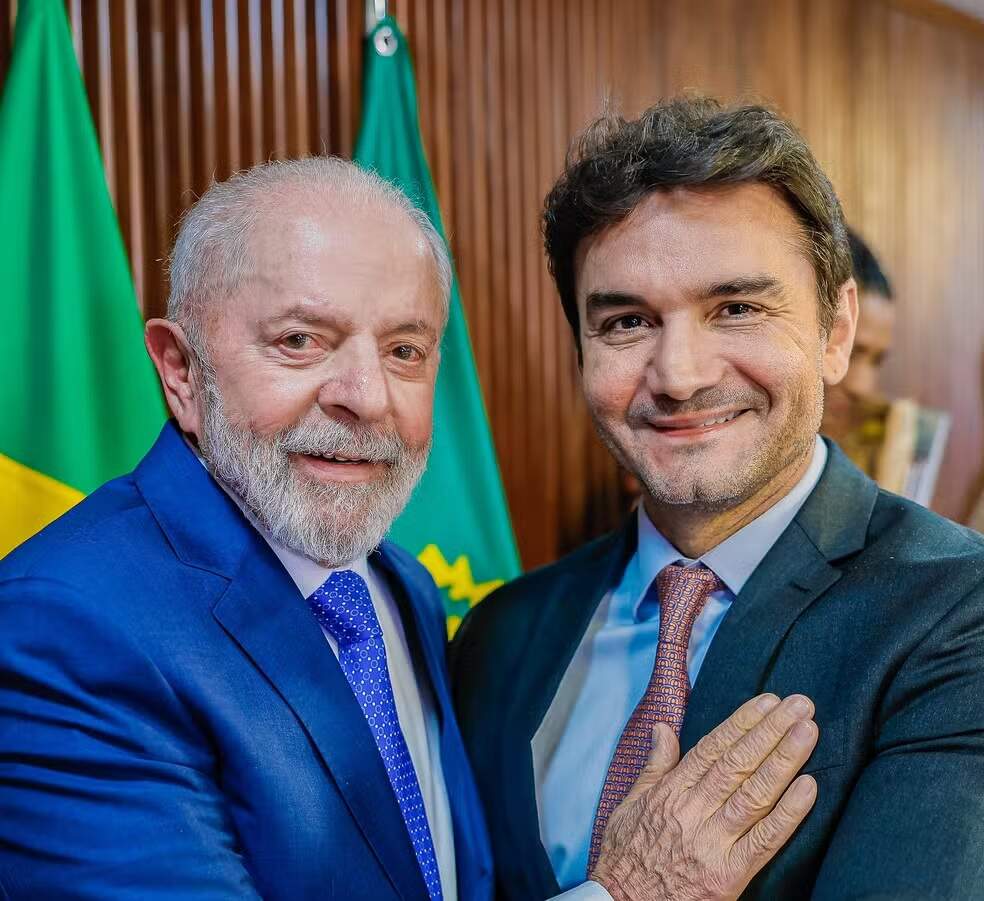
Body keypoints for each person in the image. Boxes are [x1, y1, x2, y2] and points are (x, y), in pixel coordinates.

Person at [0, 157, 815, 900]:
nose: (366, 396)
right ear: (180, 370)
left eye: (404, 350)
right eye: (300, 341)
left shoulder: (399, 586)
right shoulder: (64, 624)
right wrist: (627, 894)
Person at [450, 98, 984, 900]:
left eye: (736, 308)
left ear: (836, 331)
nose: (679, 375)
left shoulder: (956, 609)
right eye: (627, 322)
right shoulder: (500, 632)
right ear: (580, 352)